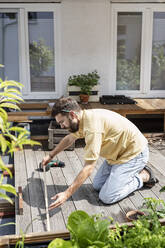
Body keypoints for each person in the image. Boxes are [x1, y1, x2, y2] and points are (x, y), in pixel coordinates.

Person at [42, 97, 158, 210]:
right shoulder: (82, 119)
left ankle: (143, 176)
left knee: (107, 197)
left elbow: (89, 167)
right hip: (115, 156)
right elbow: (70, 138)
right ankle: (124, 175)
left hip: (134, 154)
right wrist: (51, 155)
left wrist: (67, 194)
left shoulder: (92, 128)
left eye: (62, 122)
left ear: (72, 115)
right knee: (97, 186)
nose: (61, 126)